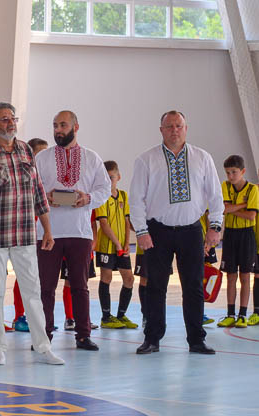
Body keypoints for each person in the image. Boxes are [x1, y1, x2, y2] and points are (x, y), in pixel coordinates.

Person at [0, 102, 64, 366]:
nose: (11, 123)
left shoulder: (26, 151)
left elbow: (38, 192)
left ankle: (43, 347)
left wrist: (48, 230)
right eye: (4, 119)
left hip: (25, 236)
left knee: (33, 292)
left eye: (12, 118)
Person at [130, 110, 223, 355]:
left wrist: (215, 226)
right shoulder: (146, 160)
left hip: (191, 231)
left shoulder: (203, 158)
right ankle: (152, 339)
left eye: (178, 126)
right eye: (169, 126)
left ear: (186, 128)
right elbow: (136, 199)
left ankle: (196, 339)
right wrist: (141, 231)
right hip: (157, 231)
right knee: (155, 287)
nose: (174, 130)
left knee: (193, 286)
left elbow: (215, 195)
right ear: (161, 130)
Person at [35, 110, 110, 351]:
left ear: (76, 127)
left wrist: (87, 198)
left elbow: (104, 189)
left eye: (63, 125)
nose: (58, 129)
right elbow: (30, 187)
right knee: (45, 287)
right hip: (48, 231)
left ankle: (83, 335)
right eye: (55, 125)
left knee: (80, 285)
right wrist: (44, 197)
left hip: (80, 232)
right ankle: (43, 336)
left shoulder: (91, 157)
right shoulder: (43, 158)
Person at [11, 138, 49, 333]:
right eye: (39, 153)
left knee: (39, 278)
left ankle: (36, 317)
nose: (43, 156)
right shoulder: (24, 175)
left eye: (45, 152)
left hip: (42, 233)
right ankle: (19, 316)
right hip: (24, 232)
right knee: (23, 276)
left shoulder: (46, 177)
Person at [217, 155, 258, 328]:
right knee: (231, 276)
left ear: (242, 171)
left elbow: (252, 216)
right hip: (230, 235)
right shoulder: (225, 186)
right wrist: (242, 205)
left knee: (245, 276)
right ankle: (230, 314)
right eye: (228, 173)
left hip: (247, 235)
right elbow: (224, 209)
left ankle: (242, 314)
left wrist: (232, 209)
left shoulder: (253, 190)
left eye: (234, 172)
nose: (230, 176)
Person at [95, 161, 137, 329]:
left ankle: (121, 315)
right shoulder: (101, 197)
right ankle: (106, 317)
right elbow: (104, 224)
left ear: (118, 177)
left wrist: (127, 243)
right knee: (107, 277)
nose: (108, 180)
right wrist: (118, 244)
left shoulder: (124, 196)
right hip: (107, 245)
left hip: (121, 245)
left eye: (111, 177)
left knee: (129, 278)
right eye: (105, 177)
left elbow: (127, 221)